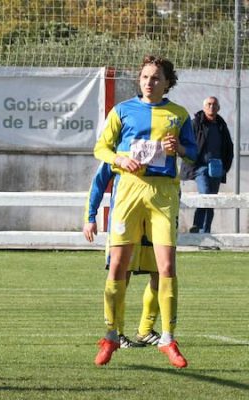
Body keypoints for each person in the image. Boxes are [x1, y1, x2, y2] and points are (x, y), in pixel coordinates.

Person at [92, 55, 197, 368]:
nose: (149, 82)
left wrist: (176, 148)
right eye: (145, 77)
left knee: (166, 267)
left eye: (155, 78)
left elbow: (192, 153)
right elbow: (101, 148)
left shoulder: (178, 115)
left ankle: (167, 337)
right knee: (117, 268)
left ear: (167, 83)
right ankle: (111, 335)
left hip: (163, 194)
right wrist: (120, 160)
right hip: (129, 191)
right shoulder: (122, 110)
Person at [83, 162, 161, 348]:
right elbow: (99, 181)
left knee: (161, 273)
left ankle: (146, 330)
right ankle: (116, 334)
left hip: (152, 220)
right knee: (121, 275)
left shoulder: (161, 144)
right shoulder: (119, 147)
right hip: (124, 220)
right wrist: (90, 217)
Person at [180, 96, 234, 234]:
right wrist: (190, 164)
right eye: (209, 104)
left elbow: (229, 147)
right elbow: (186, 143)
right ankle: (197, 226)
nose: (211, 107)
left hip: (216, 169)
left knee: (212, 201)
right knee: (205, 195)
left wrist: (224, 169)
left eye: (214, 104)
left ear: (218, 108)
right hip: (200, 168)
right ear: (204, 107)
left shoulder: (222, 126)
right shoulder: (195, 123)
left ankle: (205, 233)